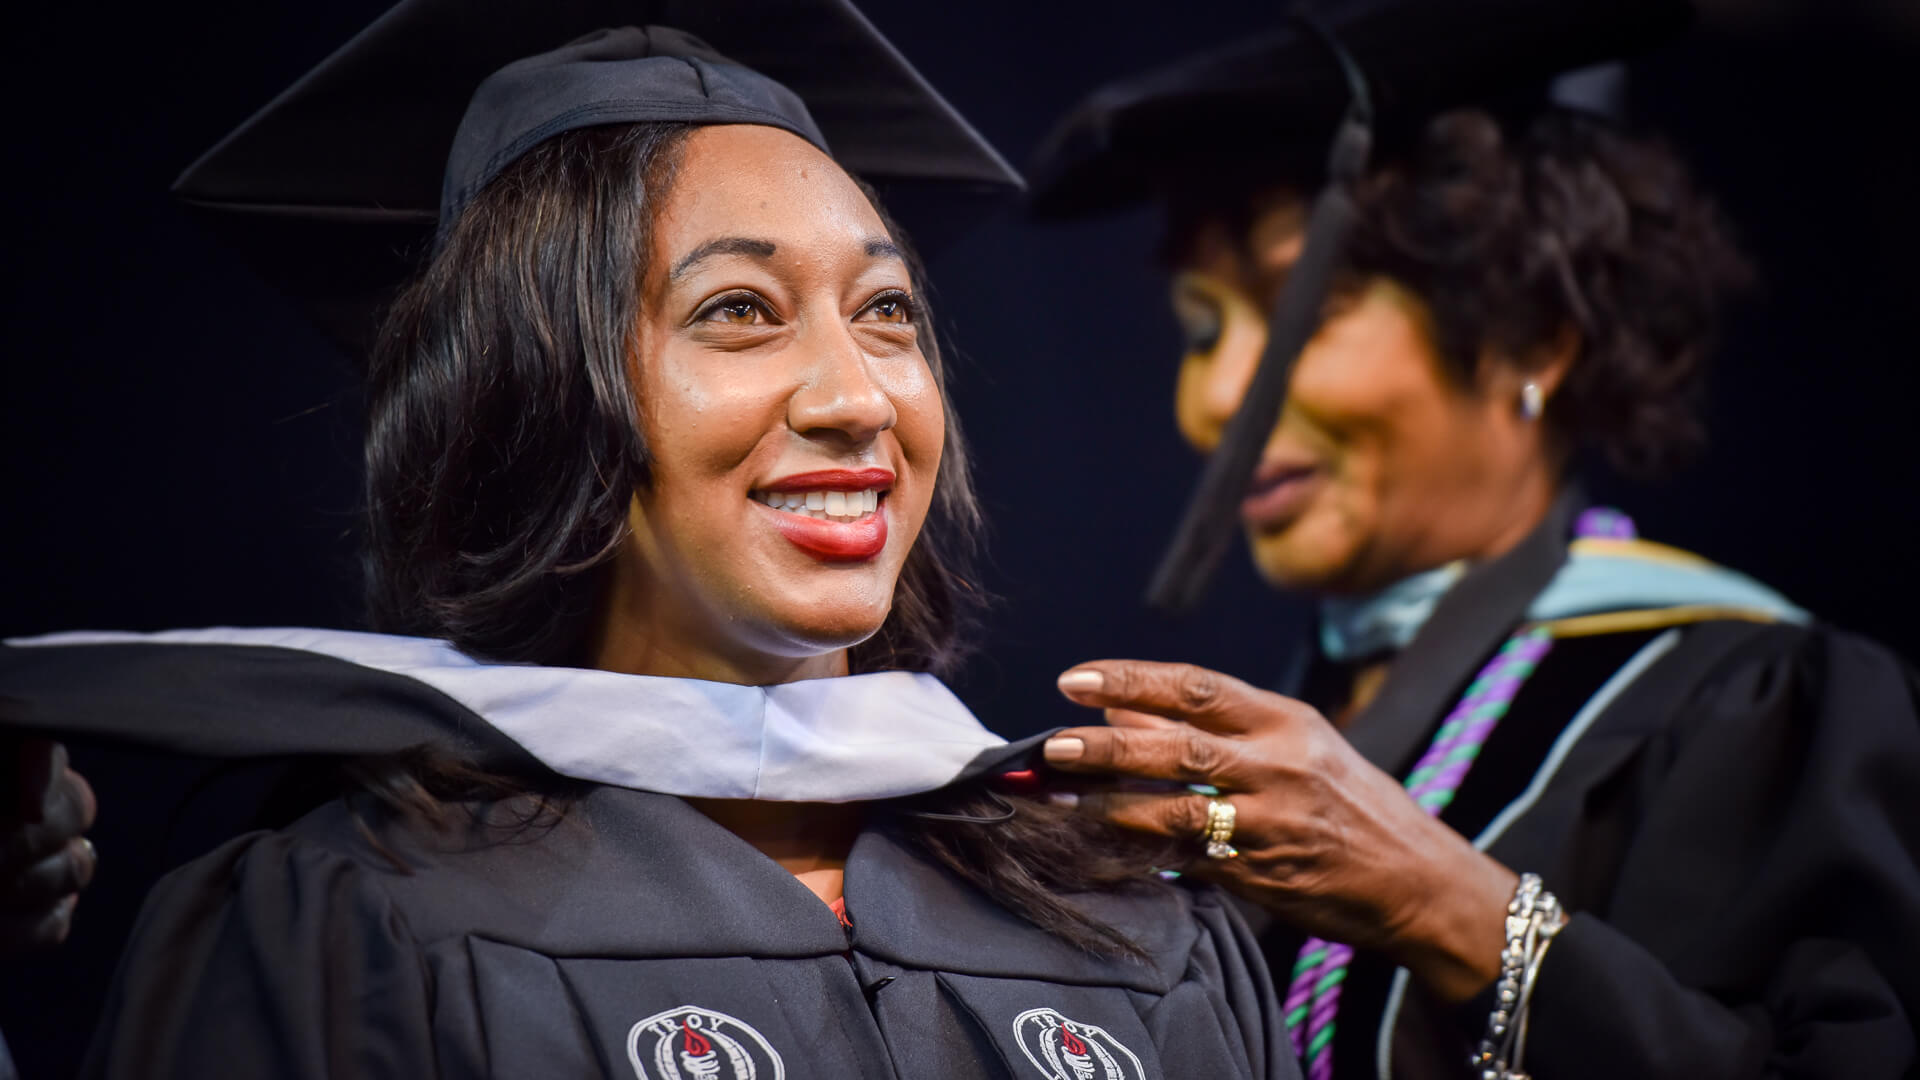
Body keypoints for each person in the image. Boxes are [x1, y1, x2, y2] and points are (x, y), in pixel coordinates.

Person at [0, 4, 1295, 1078]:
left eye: (887, 311)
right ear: (537, 399)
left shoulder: (1136, 924)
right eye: (739, 310)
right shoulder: (348, 925)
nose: (854, 397)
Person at [1021, 1, 1920, 1078]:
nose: (1217, 401)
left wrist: (1444, 905)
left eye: (1304, 309)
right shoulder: (1312, 712)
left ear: (1528, 335)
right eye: (1204, 328)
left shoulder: (1758, 707)